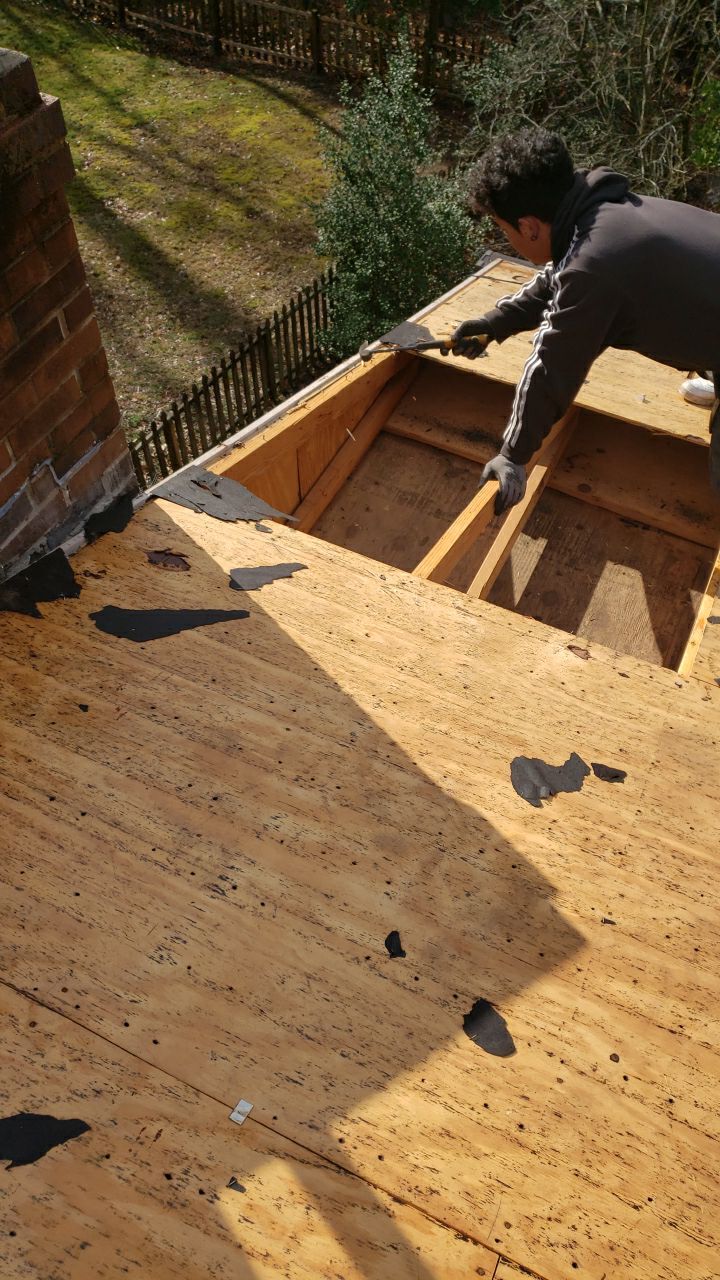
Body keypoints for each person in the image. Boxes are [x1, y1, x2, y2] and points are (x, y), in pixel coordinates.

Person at [451, 128, 720, 514]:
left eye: (503, 229)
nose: (507, 237)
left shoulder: (596, 264)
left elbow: (553, 366)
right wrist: (494, 323)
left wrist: (513, 455)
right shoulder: (603, 216)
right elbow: (560, 276)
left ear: (527, 227)